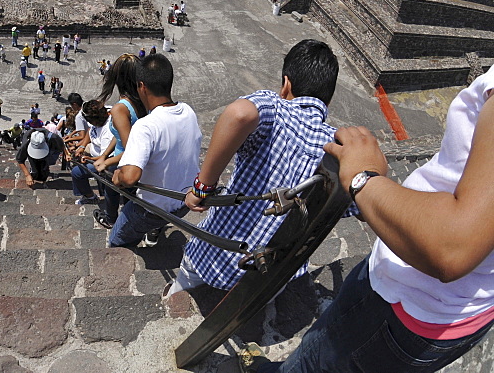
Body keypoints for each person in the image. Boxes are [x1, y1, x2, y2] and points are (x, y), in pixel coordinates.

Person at [240, 64, 494, 373]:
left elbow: (453, 247)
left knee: (314, 359)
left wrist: (363, 177)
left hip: (409, 302)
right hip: (463, 307)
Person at [176, 40, 349, 294]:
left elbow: (239, 114)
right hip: (269, 279)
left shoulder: (277, 108)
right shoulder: (338, 148)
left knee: (182, 286)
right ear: (328, 99)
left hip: (213, 257)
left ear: (286, 84)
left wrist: (202, 188)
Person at [110, 54, 201, 248]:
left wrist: (117, 176)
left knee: (117, 241)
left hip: (150, 210)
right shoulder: (188, 111)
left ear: (142, 86)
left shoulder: (146, 126)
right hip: (182, 204)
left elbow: (130, 176)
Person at [88, 54, 150, 231]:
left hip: (125, 163)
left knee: (117, 192)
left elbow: (132, 148)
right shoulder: (143, 101)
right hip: (137, 161)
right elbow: (122, 134)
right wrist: (104, 154)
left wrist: (106, 162)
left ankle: (112, 220)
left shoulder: (120, 108)